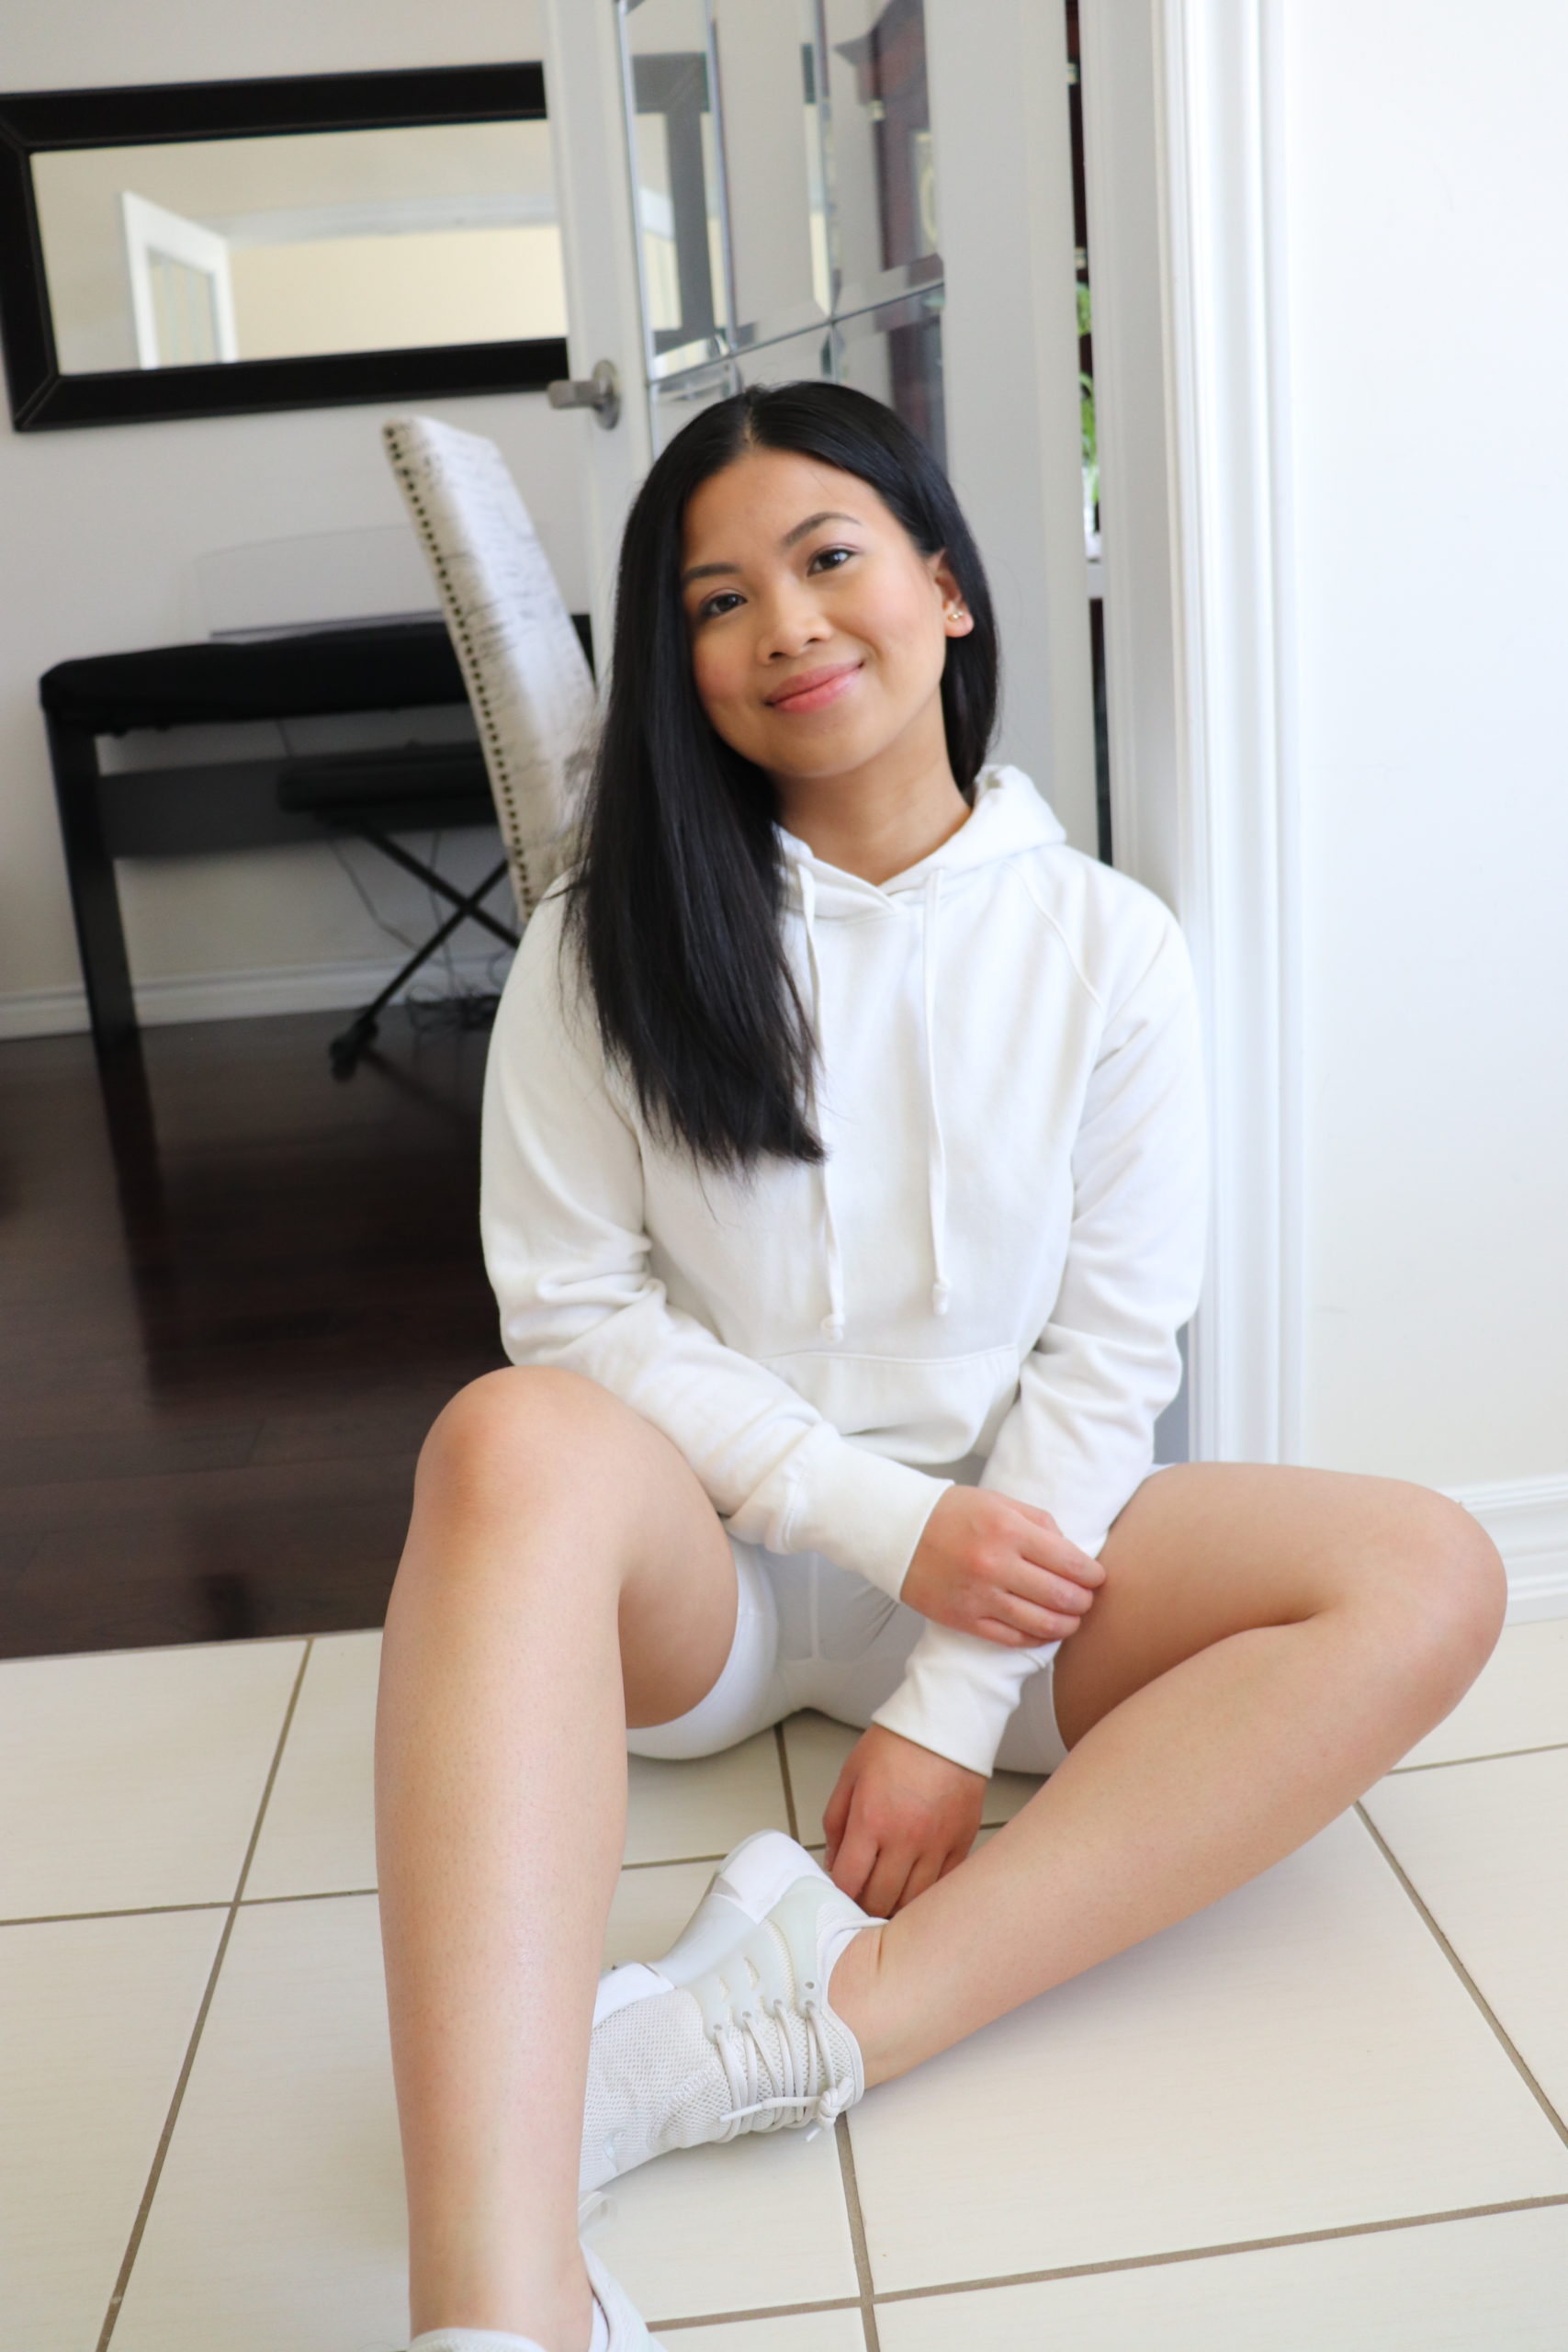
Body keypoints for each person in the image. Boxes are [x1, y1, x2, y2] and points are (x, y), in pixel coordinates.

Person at [373, 381, 1506, 2352]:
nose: (785, 628)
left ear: (946, 589)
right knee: (504, 1435)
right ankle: (493, 2305)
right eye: (716, 601)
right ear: (682, 666)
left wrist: (950, 1705)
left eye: (827, 560)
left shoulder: (1106, 945)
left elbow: (1108, 1346)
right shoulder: (600, 944)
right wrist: (880, 1526)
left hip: (1018, 1576)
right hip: (713, 1584)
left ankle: (784, 2023)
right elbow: (571, 1312)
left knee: (1429, 1568)